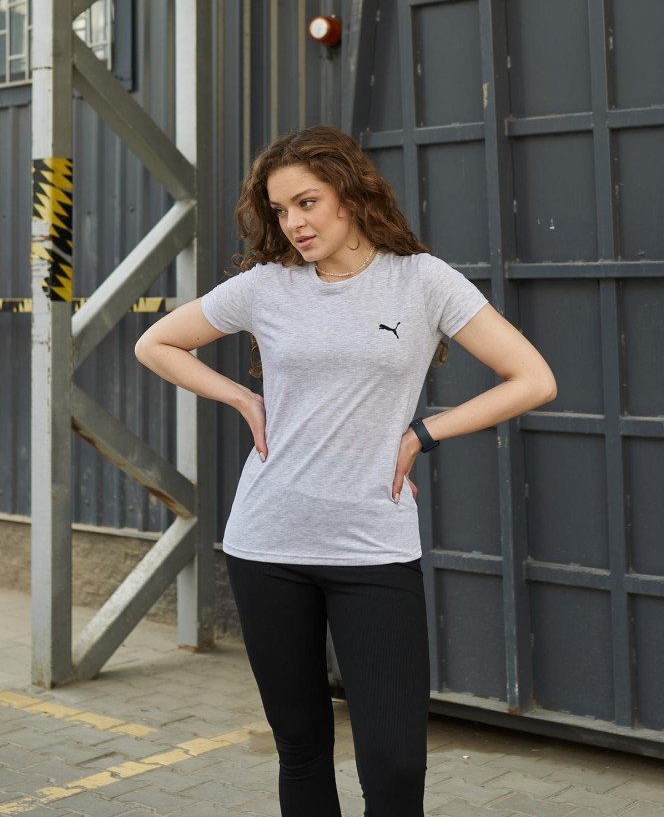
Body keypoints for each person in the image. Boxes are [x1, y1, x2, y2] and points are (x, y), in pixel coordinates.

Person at [134, 125, 557, 817]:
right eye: (280, 210)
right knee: (302, 748)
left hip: (372, 546)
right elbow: (156, 344)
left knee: (395, 766)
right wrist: (243, 398)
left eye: (307, 203)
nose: (293, 224)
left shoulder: (422, 281)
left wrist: (423, 433)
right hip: (267, 542)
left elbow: (533, 379)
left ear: (352, 195)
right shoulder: (266, 287)